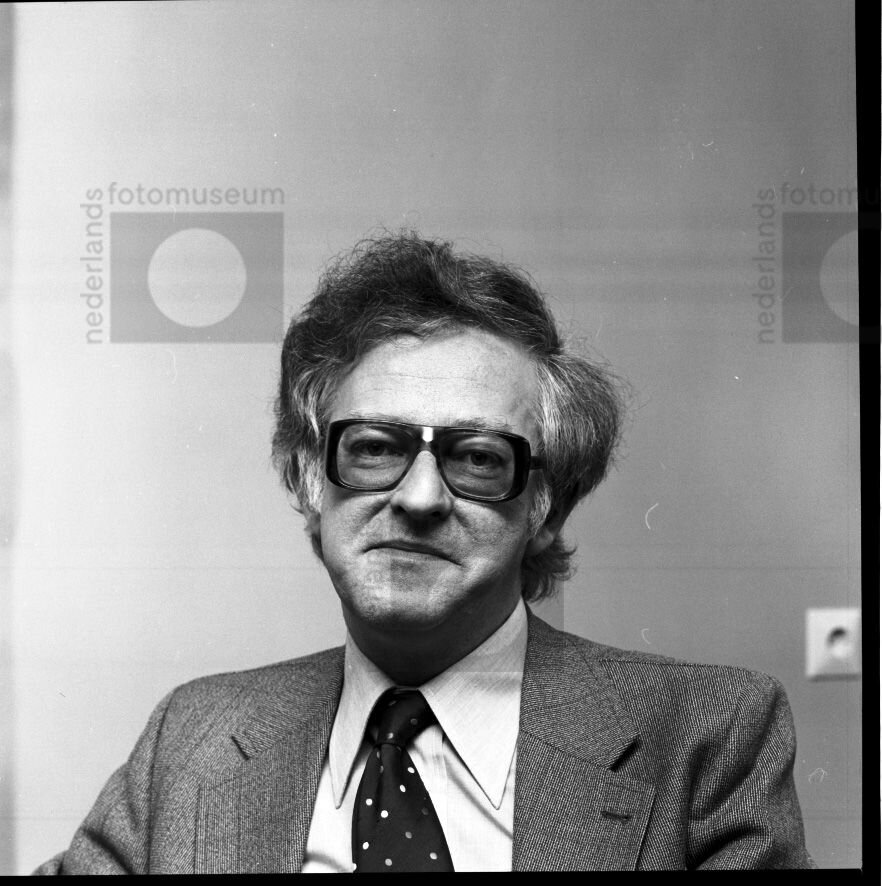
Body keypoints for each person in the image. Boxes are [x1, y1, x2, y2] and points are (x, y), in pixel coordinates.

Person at [35, 232, 812, 872]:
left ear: (543, 505)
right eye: (375, 447)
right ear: (309, 478)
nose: (418, 498)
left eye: (477, 458)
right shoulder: (192, 739)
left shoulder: (709, 737)